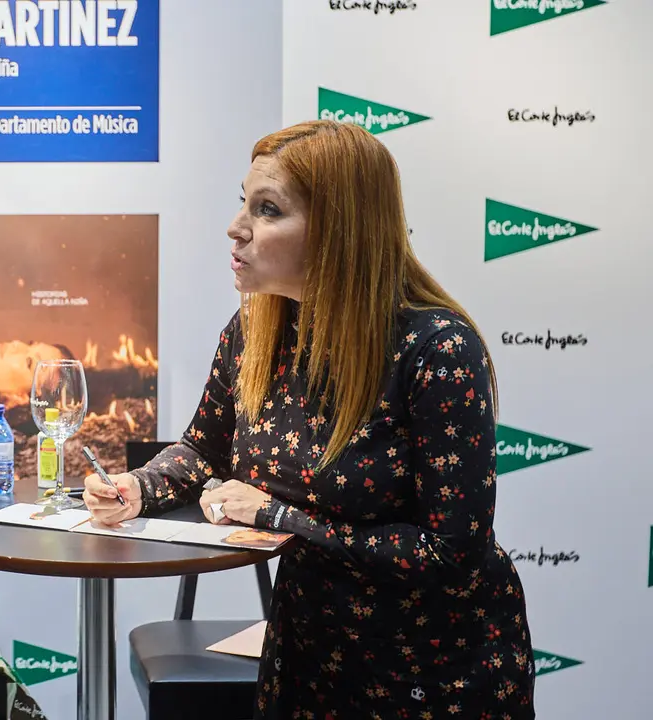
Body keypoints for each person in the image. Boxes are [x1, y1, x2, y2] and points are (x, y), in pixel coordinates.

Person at [83, 120, 534, 718]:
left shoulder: (436, 350)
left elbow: (450, 554)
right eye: (243, 203)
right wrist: (136, 487)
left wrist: (275, 515)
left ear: (339, 231)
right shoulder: (255, 332)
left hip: (430, 672)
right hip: (307, 654)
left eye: (267, 210)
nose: (236, 227)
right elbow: (204, 449)